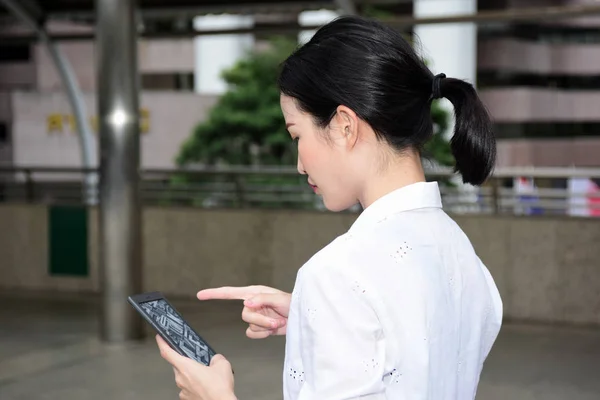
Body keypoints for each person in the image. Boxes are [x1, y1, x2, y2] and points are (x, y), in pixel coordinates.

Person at [156, 15, 502, 400]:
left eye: (297, 134)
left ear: (344, 126)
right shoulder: (464, 256)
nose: (299, 163)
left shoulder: (337, 274)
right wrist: (316, 317)